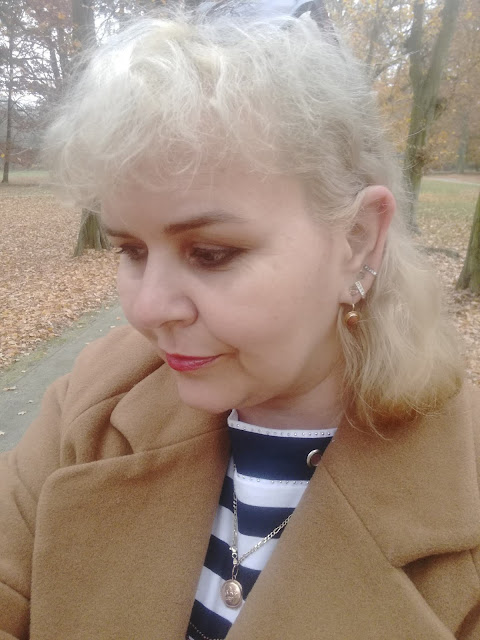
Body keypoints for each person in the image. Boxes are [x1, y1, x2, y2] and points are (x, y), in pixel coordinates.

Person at [1, 2, 479, 639]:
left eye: (211, 253)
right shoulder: (93, 405)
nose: (147, 310)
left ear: (357, 238)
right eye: (131, 250)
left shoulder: (462, 494)